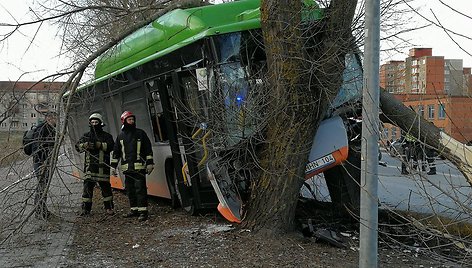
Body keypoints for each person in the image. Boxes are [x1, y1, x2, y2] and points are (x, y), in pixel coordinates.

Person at [111, 111, 154, 221]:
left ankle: (143, 212)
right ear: (124, 121)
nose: (132, 121)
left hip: (139, 168)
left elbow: (148, 149)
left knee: (140, 190)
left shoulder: (140, 133)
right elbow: (116, 153)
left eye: (133, 119)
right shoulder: (120, 136)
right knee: (130, 191)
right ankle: (134, 210)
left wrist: (150, 163)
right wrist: (113, 166)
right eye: (129, 119)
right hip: (127, 169)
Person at [75, 113, 115, 216]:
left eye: (96, 122)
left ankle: (109, 208)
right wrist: (85, 145)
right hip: (90, 169)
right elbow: (77, 147)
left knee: (106, 189)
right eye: (92, 122)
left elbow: (111, 146)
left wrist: (99, 145)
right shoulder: (86, 136)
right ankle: (86, 209)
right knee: (87, 189)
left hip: (103, 168)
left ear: (100, 123)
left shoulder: (107, 136)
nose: (94, 124)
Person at [33, 111, 57, 220]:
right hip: (41, 162)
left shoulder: (50, 129)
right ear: (49, 119)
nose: (56, 121)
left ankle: (42, 209)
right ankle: (40, 211)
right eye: (54, 119)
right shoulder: (42, 129)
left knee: (43, 185)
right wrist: (42, 162)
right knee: (42, 185)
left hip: (45, 161)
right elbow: (38, 147)